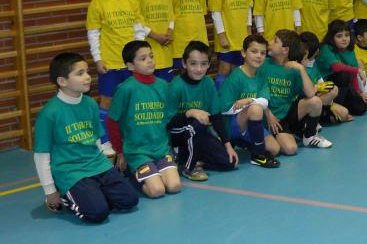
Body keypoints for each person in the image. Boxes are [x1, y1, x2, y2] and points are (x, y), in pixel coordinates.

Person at [33, 53, 138, 222]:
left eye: (87, 71)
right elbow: (41, 155)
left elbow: (96, 140)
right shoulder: (49, 113)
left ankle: (92, 193)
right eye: (80, 73)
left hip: (96, 165)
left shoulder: (90, 104)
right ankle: (67, 195)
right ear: (62, 81)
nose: (88, 77)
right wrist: (50, 191)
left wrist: (106, 166)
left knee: (129, 200)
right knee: (97, 213)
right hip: (71, 172)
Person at [106, 41, 181, 198]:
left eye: (151, 56)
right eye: (143, 58)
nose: (150, 61)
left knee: (174, 186)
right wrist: (120, 152)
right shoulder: (125, 89)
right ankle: (132, 174)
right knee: (157, 190)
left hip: (161, 150)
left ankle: (152, 172)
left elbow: (170, 118)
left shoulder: (163, 85)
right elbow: (112, 122)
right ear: (130, 66)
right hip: (137, 152)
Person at [86, 0, 145, 150]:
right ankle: (104, 140)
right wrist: (98, 59)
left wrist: (139, 57)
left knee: (131, 100)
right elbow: (93, 34)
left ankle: (128, 137)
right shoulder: (98, 3)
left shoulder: (131, 2)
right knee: (107, 101)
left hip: (129, 63)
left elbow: (138, 30)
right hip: (110, 63)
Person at [167, 41, 238, 182]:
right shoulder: (176, 86)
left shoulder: (208, 83)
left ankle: (188, 157)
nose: (199, 69)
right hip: (176, 132)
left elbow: (216, 116)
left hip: (198, 132)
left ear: (209, 65)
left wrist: (228, 145)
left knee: (230, 162)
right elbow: (169, 123)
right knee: (196, 123)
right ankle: (189, 167)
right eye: (193, 64)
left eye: (203, 64)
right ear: (184, 63)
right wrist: (189, 113)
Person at [261, 30, 333, 154]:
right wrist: (269, 115)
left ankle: (309, 136)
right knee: (289, 149)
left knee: (315, 101)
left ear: (285, 50)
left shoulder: (293, 68)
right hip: (268, 115)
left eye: (275, 41)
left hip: (286, 116)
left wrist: (301, 69)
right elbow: (257, 93)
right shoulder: (264, 64)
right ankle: (275, 135)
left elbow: (310, 94)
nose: (270, 42)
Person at [219, 34, 281, 168]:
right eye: (254, 51)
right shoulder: (235, 77)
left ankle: (245, 143)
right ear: (243, 53)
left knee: (274, 149)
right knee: (256, 108)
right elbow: (223, 109)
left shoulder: (261, 75)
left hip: (250, 123)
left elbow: (264, 101)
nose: (259, 56)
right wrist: (248, 105)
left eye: (263, 53)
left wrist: (249, 100)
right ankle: (257, 155)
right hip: (231, 125)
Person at [208, 0, 253, 87]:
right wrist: (222, 35)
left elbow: (248, 7)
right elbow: (215, 12)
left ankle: (234, 97)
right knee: (225, 68)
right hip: (227, 36)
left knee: (237, 69)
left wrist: (249, 29)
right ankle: (219, 97)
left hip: (241, 35)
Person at [133, 0, 174, 82]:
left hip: (166, 53)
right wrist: (154, 35)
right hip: (148, 52)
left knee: (166, 87)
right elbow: (137, 22)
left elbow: (171, 16)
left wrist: (170, 31)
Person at [316, 20, 367, 116]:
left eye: (347, 35)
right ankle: (333, 109)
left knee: (361, 108)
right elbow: (336, 67)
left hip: (343, 87)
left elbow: (353, 75)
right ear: (332, 38)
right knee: (343, 75)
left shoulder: (350, 49)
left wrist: (357, 93)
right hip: (325, 86)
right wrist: (358, 70)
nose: (344, 39)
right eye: (339, 36)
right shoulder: (326, 48)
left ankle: (342, 108)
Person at [299, 31, 351, 123]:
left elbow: (320, 80)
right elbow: (306, 93)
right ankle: (317, 117)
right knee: (333, 92)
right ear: (317, 51)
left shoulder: (313, 62)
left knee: (344, 112)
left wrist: (331, 103)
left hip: (319, 96)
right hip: (309, 100)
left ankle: (324, 113)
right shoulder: (300, 68)